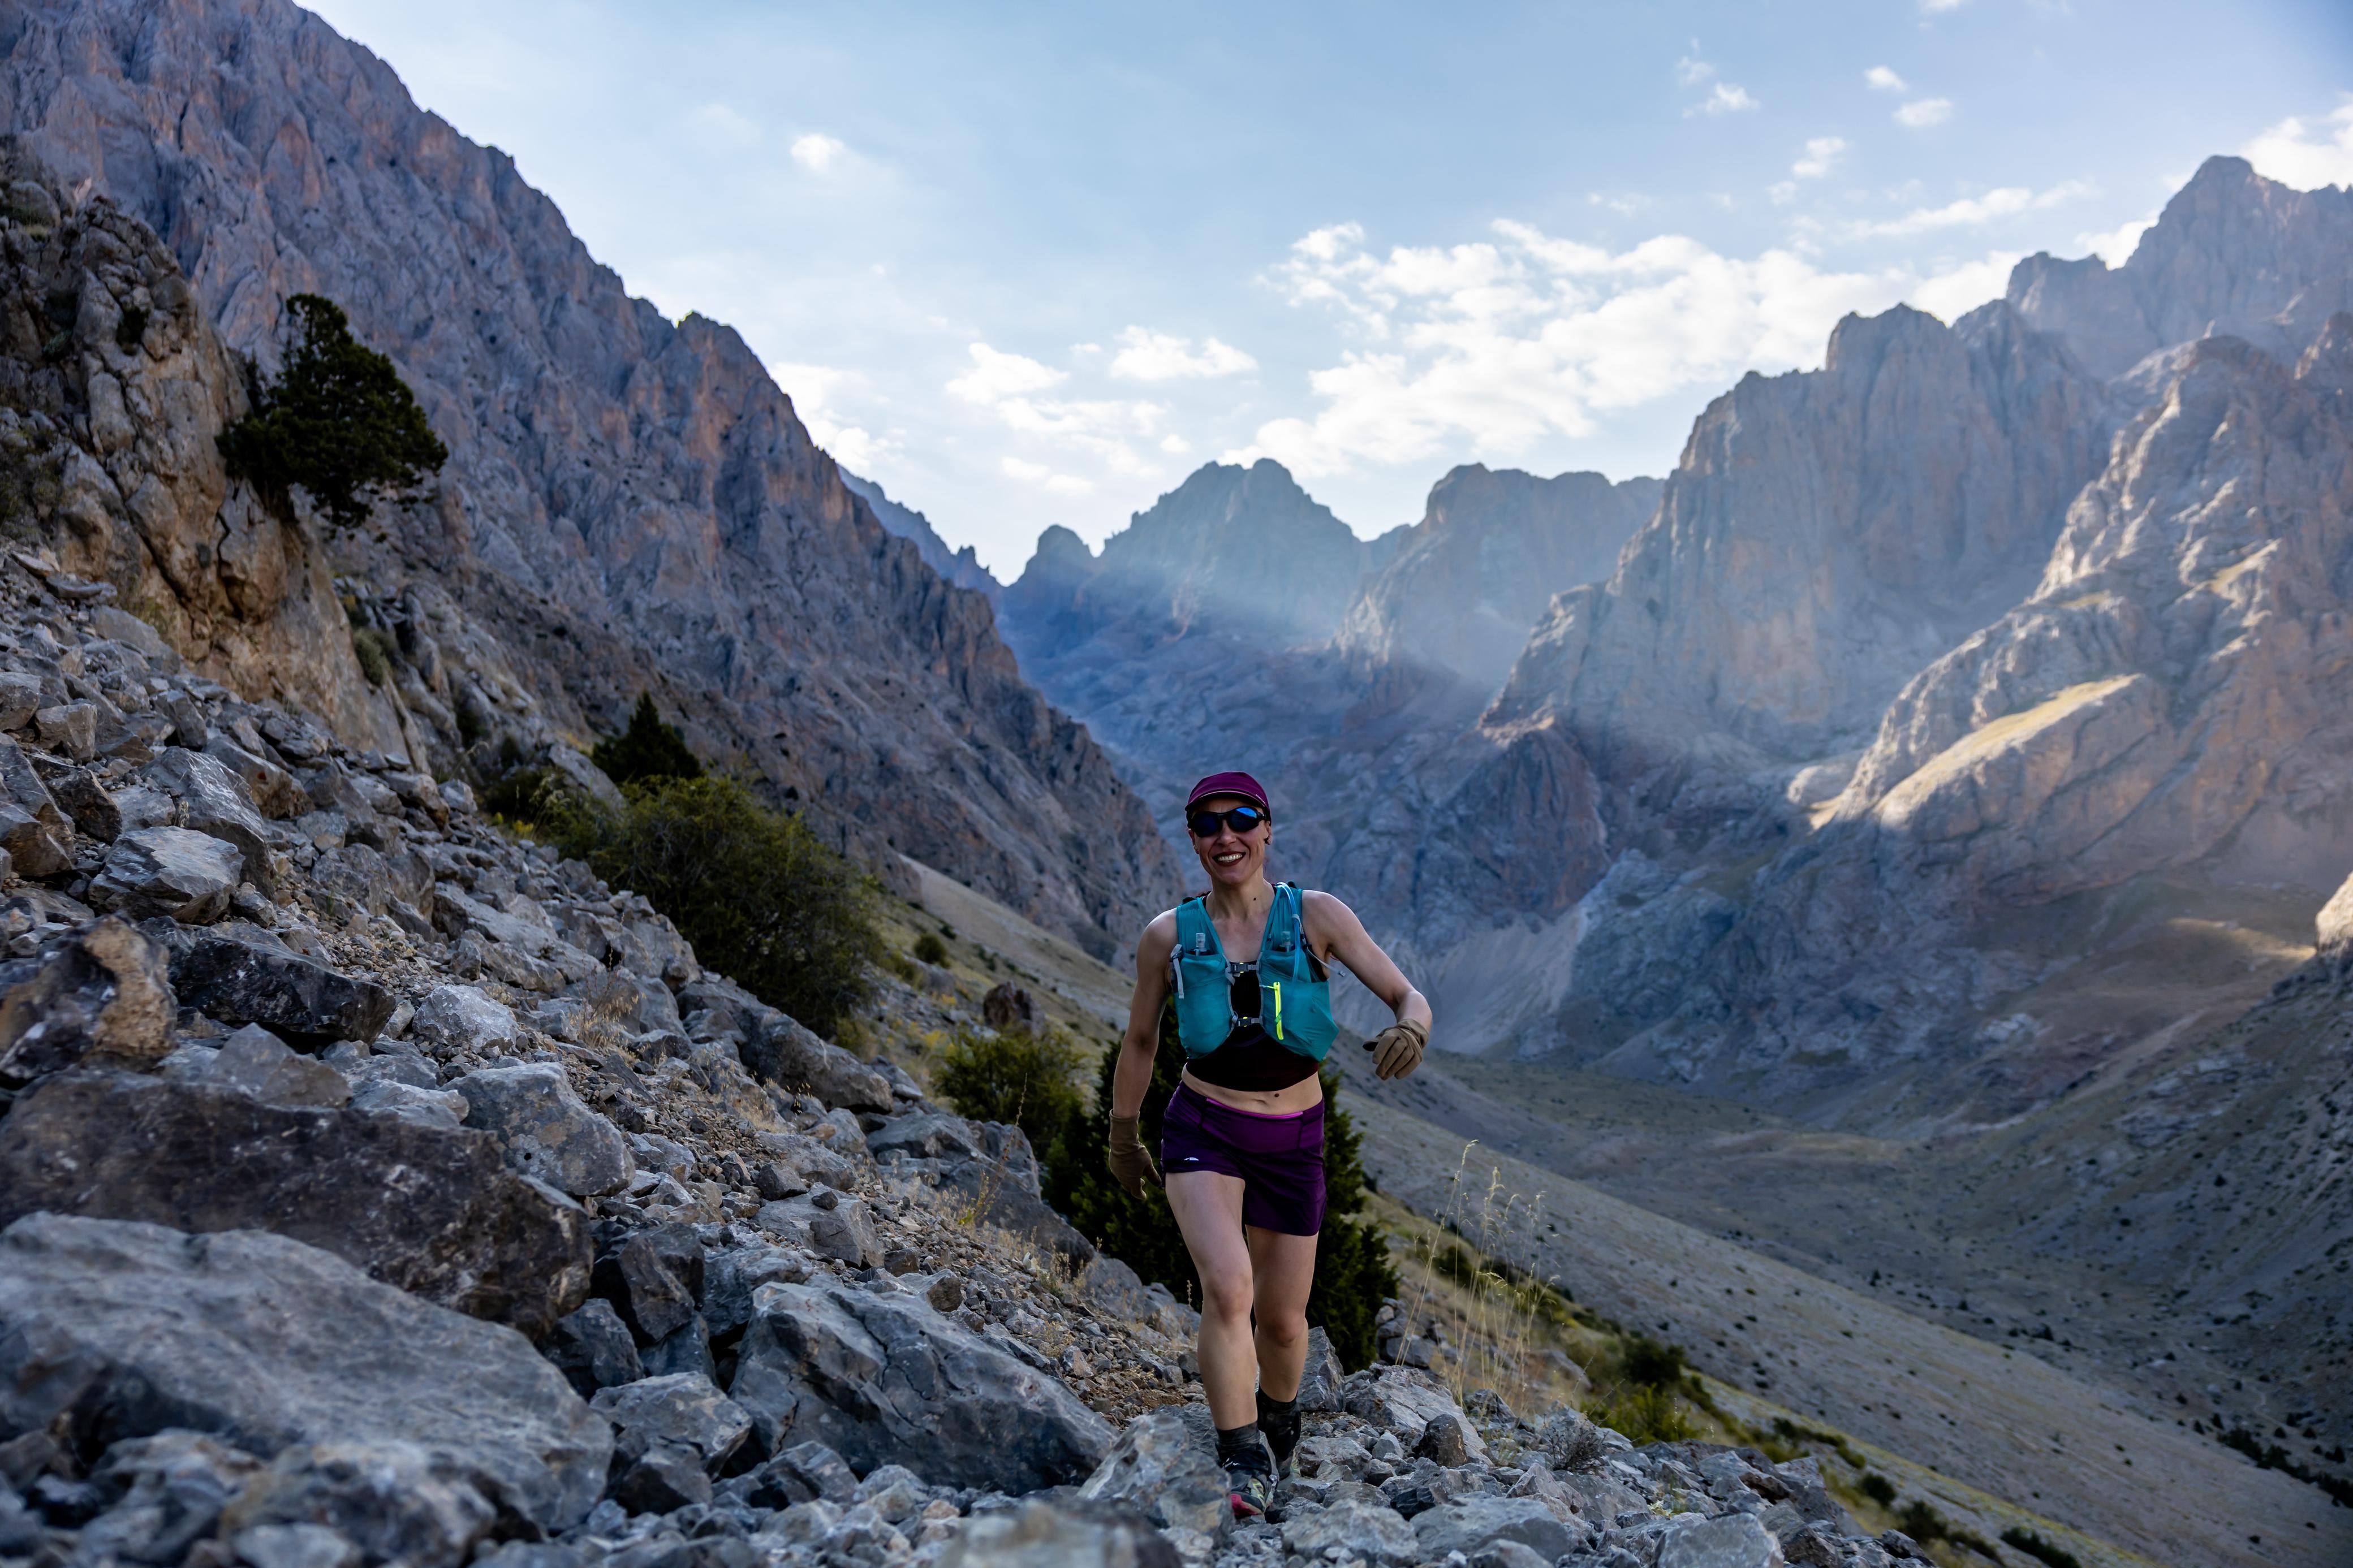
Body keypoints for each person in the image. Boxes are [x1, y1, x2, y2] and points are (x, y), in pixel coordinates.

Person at [1105, 770, 1432, 1518]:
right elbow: (1142, 1039)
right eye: (1209, 824)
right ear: (1192, 838)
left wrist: (1414, 1026)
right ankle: (1242, 1454)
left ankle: (1280, 1417)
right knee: (1228, 1288)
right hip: (1204, 1125)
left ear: (1267, 829)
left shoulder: (1317, 916)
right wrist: (1123, 1135)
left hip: (1295, 1136)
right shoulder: (1168, 936)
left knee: (1285, 1323)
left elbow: (1406, 993)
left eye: (1241, 819)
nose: (1227, 836)